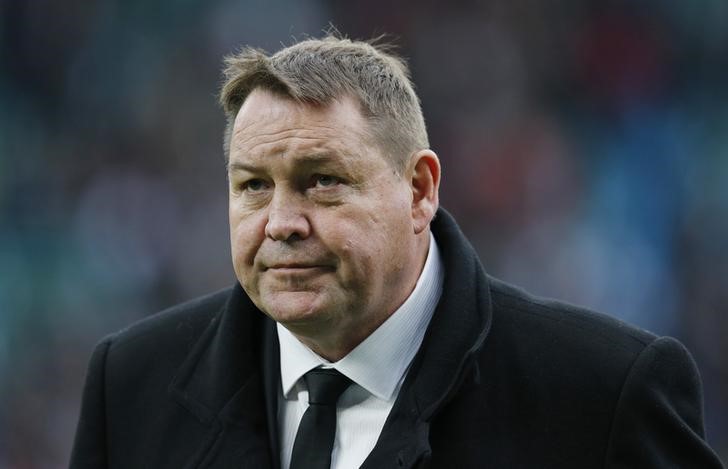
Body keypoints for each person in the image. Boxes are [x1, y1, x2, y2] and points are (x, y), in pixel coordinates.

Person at [70, 35, 724, 469]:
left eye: (322, 180)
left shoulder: (604, 394)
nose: (281, 222)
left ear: (418, 190)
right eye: (253, 186)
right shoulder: (129, 386)